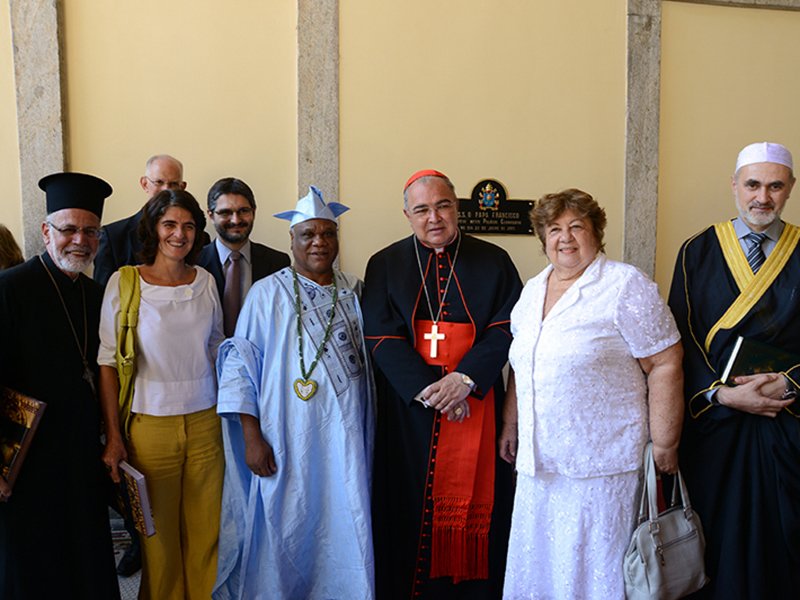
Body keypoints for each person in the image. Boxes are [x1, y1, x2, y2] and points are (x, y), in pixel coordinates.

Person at [498, 188, 683, 599]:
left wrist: (665, 442)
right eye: (554, 229)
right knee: (542, 567)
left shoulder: (624, 285)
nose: (565, 238)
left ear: (596, 233)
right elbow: (524, 366)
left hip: (601, 465)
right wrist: (511, 423)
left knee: (593, 569)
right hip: (539, 465)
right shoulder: (532, 291)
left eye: (576, 227)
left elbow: (665, 361)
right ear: (543, 238)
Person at [362, 169, 523, 599]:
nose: (433, 217)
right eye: (422, 210)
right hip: (411, 415)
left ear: (457, 207)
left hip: (477, 403)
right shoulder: (385, 264)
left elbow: (508, 327)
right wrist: (432, 392)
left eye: (443, 206)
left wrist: (465, 380)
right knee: (408, 508)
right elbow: (380, 335)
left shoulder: (494, 261)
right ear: (407, 215)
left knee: (482, 520)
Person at [213, 186, 375, 599]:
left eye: (327, 233)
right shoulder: (266, 294)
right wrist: (252, 437)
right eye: (308, 234)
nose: (319, 242)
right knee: (287, 521)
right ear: (292, 240)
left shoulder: (355, 292)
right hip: (285, 438)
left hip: (347, 441)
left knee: (345, 516)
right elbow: (240, 368)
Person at [668, 141, 800, 599]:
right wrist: (721, 394)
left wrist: (790, 382)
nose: (762, 197)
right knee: (713, 541)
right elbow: (680, 338)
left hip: (787, 422)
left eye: (775, 186)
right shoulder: (698, 250)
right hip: (715, 425)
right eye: (752, 184)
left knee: (783, 545)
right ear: (734, 186)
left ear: (790, 189)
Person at [98, 189, 225, 599]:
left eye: (188, 226)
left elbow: (216, 349)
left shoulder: (205, 281)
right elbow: (107, 363)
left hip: (206, 423)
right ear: (153, 228)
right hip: (149, 427)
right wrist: (114, 436)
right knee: (158, 537)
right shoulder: (125, 282)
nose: (179, 234)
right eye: (169, 224)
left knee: (207, 531)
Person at [0, 172, 120, 598]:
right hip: (26, 458)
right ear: (47, 231)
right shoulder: (9, 288)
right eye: (69, 229)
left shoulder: (96, 295)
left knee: (85, 560)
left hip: (81, 453)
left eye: (91, 231)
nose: (80, 241)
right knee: (33, 567)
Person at [94, 154, 204, 287]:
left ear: (182, 187)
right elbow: (102, 293)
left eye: (173, 184)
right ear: (145, 184)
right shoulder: (113, 237)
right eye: (159, 182)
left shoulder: (197, 238)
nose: (166, 189)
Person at [198, 177, 290, 336]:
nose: (236, 220)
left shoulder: (278, 263)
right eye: (225, 212)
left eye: (243, 211)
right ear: (211, 216)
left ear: (254, 212)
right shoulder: (194, 263)